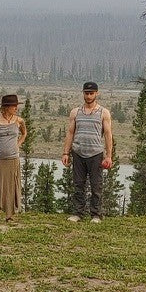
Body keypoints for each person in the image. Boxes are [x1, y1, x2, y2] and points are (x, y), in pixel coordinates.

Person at [62, 82, 113, 222]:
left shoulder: (103, 112)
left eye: (91, 93)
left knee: (96, 185)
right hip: (78, 152)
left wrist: (108, 156)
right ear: (83, 93)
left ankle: (96, 214)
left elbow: (108, 134)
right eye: (86, 93)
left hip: (96, 153)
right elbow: (70, 133)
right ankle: (78, 213)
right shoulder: (75, 112)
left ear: (96, 93)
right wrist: (65, 152)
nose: (89, 96)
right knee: (78, 184)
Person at [0, 94, 26, 223]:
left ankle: (10, 215)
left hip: (13, 158)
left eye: (16, 105)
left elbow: (24, 133)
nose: (16, 108)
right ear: (6, 107)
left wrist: (18, 144)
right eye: (13, 106)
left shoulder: (19, 121)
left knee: (11, 187)